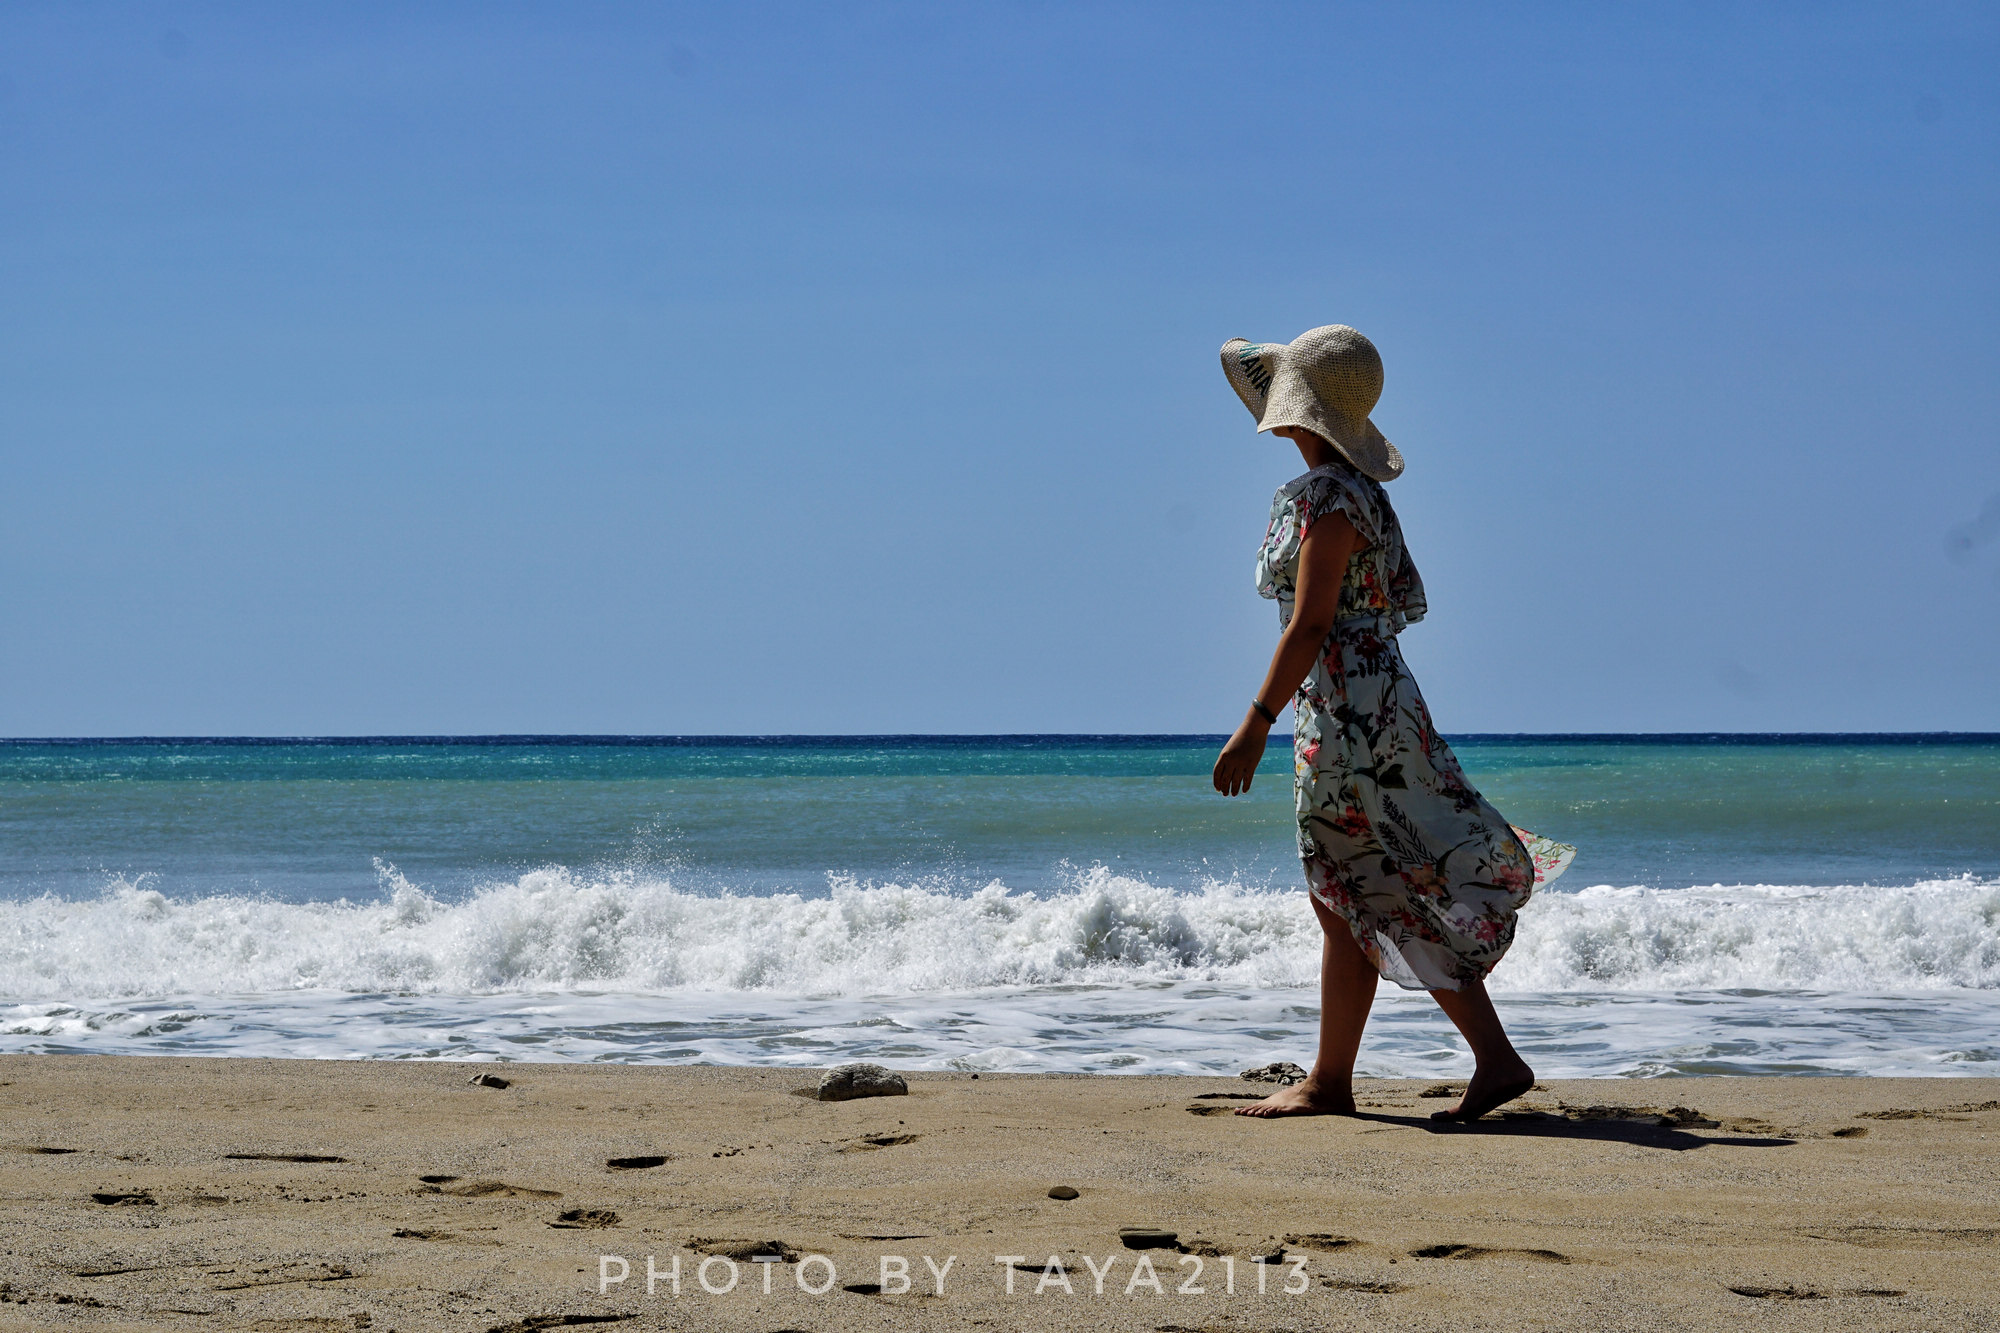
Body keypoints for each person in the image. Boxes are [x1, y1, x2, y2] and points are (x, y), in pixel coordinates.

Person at [1210, 325, 1575, 1124]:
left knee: (1350, 892)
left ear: (1298, 416)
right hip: (1372, 707)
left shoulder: (1330, 500)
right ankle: (1398, 1069)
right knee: (1366, 890)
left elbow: (1308, 627)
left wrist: (1255, 721)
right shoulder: (1362, 494)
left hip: (1346, 718)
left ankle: (1356, 1078)